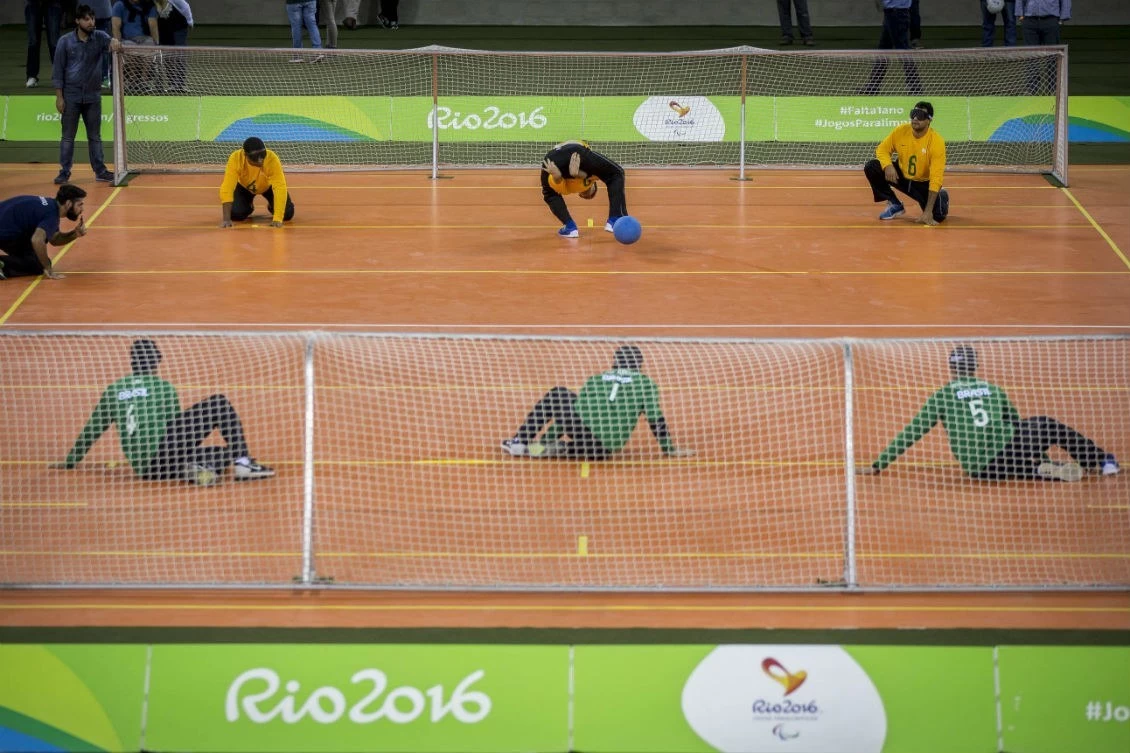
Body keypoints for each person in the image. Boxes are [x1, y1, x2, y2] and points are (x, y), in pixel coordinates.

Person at [859, 345, 1120, 482]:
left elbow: (912, 431)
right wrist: (1038, 451)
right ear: (975, 366)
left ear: (952, 369)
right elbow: (1016, 423)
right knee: (1046, 425)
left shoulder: (942, 395)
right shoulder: (992, 389)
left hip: (979, 469)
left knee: (1003, 467)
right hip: (1006, 451)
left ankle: (1040, 471)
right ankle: (1098, 461)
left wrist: (878, 464)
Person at [53, 339, 275, 486]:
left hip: (146, 470)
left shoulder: (114, 389)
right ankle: (242, 464)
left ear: (132, 362)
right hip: (164, 455)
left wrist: (71, 461)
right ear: (157, 361)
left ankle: (197, 468)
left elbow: (92, 429)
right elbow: (174, 427)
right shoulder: (163, 386)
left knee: (223, 450)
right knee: (219, 404)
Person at [501, 345, 694, 460]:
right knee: (587, 437)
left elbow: (574, 413)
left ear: (614, 362)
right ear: (639, 365)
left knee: (558, 394)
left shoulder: (596, 379)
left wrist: (546, 438)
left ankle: (520, 441)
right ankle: (558, 448)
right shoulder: (646, 383)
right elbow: (655, 419)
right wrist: (669, 449)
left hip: (586, 436)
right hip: (604, 450)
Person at [52, 4, 120, 185]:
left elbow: (112, 43)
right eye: (87, 19)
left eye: (93, 19)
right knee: (67, 137)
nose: (91, 23)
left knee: (95, 137)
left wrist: (114, 42)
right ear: (77, 21)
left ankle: (100, 171)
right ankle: (64, 172)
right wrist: (59, 97)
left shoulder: (99, 37)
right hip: (70, 97)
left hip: (93, 97)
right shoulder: (65, 42)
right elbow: (58, 72)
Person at [863, 100, 949, 225]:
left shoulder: (936, 142)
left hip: (922, 183)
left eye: (920, 116)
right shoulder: (901, 131)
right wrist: (888, 165)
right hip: (901, 176)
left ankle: (943, 196)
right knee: (872, 167)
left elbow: (936, 177)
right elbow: (882, 149)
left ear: (929, 120)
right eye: (913, 113)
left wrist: (927, 211)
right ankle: (894, 203)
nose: (915, 118)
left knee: (937, 216)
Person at [541, 140, 627, 238]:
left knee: (617, 173)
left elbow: (559, 186)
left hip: (560, 156)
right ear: (593, 185)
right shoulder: (589, 180)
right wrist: (575, 174)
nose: (588, 194)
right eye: (591, 193)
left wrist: (558, 177)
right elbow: (565, 185)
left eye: (586, 195)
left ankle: (614, 218)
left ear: (580, 194)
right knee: (550, 194)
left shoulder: (578, 186)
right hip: (555, 160)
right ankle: (570, 227)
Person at [0, 184, 87, 281]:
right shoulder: (51, 215)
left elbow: (55, 239)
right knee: (38, 265)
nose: (82, 209)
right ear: (68, 203)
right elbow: (37, 240)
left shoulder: (50, 206)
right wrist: (48, 269)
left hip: (7, 228)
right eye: (79, 205)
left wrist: (75, 234)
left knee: (38, 259)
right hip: (5, 233)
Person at [219, 137, 294, 228]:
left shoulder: (272, 159)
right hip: (245, 187)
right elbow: (227, 187)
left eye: (262, 157)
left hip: (268, 187)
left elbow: (280, 187)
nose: (260, 161)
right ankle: (248, 206)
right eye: (256, 158)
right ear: (245, 155)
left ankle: (272, 206)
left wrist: (277, 218)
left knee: (287, 214)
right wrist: (226, 219)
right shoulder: (236, 158)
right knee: (235, 214)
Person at [861, 0, 922, 95]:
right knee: (883, 50)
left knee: (903, 51)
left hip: (897, 13)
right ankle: (873, 85)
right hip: (891, 13)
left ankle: (915, 87)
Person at [26, 0, 64, 88]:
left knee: (54, 41)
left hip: (53, 3)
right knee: (33, 41)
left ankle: (58, 76)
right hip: (33, 3)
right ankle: (31, 76)